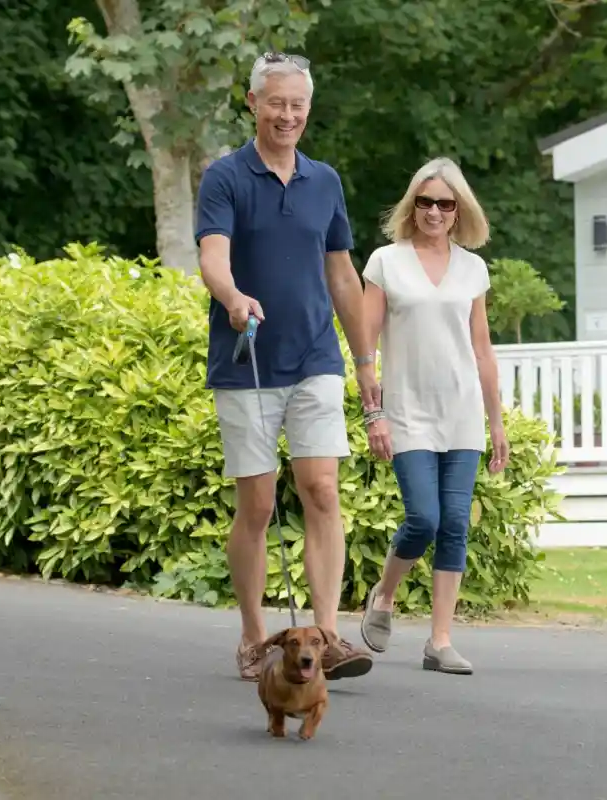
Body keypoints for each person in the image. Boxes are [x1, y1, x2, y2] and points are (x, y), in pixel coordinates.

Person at [194, 51, 380, 682]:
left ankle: (323, 636)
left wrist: (364, 359)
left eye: (298, 105)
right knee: (258, 505)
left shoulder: (324, 181)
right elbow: (212, 258)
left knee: (323, 489)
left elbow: (341, 275)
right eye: (277, 102)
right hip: (245, 360)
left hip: (315, 358)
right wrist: (233, 298)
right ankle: (253, 636)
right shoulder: (224, 177)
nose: (288, 115)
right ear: (253, 103)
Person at [358, 157, 510, 675]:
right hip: (408, 413)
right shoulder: (385, 262)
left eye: (445, 203)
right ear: (412, 205)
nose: (435, 212)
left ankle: (440, 641)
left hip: (462, 412)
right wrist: (373, 413)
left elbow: (483, 350)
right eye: (425, 202)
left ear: (458, 209)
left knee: (455, 526)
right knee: (424, 517)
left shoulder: (473, 268)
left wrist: (496, 422)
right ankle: (384, 594)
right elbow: (366, 345)